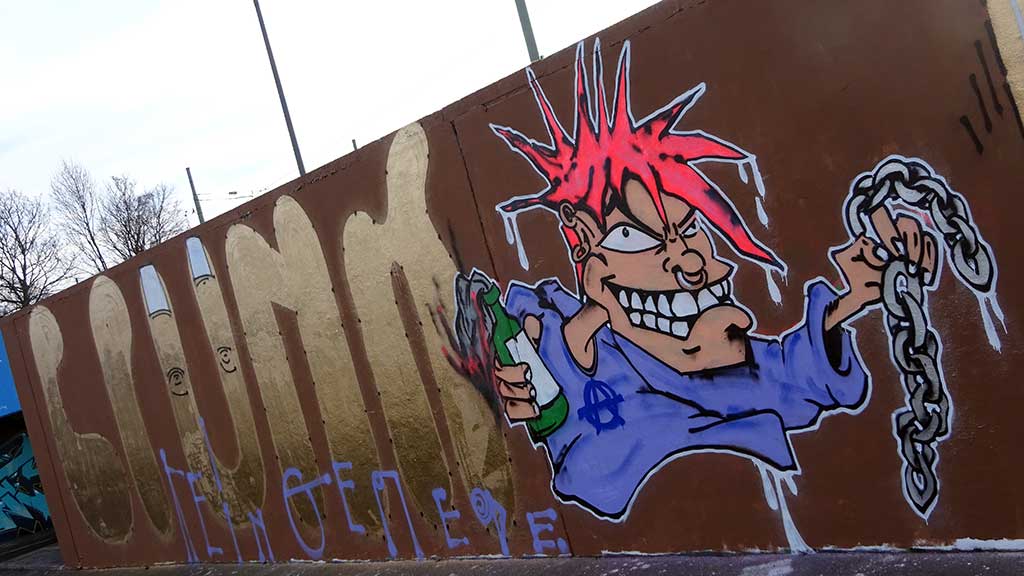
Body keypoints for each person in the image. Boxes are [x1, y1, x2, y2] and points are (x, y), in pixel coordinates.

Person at [482, 40, 935, 520]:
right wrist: (532, 370)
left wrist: (851, 301)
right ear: (588, 253)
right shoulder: (561, 354)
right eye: (636, 238)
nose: (688, 261)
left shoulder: (715, 355)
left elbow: (784, 376)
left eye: (690, 227)